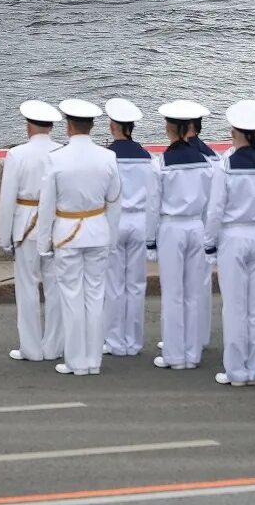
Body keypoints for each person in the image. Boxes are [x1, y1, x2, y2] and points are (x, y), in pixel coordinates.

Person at [37, 100, 122, 376]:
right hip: (98, 232)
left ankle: (76, 361)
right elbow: (115, 200)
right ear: (92, 126)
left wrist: (43, 243)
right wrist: (110, 235)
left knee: (71, 297)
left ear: (69, 125)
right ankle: (93, 360)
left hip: (67, 234)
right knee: (95, 297)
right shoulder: (107, 157)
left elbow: (47, 206)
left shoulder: (57, 158)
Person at [205, 101, 255, 388]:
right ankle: (254, 368)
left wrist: (209, 243)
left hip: (234, 236)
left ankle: (236, 370)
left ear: (236, 133)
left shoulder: (226, 165)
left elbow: (215, 209)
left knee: (234, 306)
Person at [153, 100, 217, 373]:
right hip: (196, 226)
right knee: (193, 292)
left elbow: (152, 206)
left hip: (172, 227)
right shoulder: (207, 162)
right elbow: (211, 203)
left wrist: (149, 240)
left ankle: (174, 353)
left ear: (172, 128)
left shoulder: (162, 162)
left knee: (173, 293)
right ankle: (192, 353)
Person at [0, 101, 64, 362]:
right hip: (56, 224)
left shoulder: (17, 154)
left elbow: (7, 199)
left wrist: (4, 237)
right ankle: (53, 346)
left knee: (26, 288)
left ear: (28, 126)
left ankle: (31, 348)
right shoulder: (62, 151)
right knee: (55, 287)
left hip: (24, 225)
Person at [103, 99, 156, 357]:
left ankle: (114, 340)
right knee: (136, 284)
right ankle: (133, 342)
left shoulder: (108, 156)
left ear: (113, 126)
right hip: (140, 221)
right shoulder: (147, 156)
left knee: (114, 283)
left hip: (116, 220)